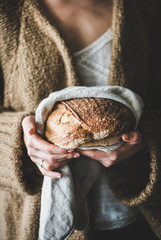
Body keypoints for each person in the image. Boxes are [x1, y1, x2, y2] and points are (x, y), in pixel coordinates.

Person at [0, 0, 161, 239]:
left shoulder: (147, 9)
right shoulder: (7, 14)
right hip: (35, 219)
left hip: (137, 216)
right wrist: (19, 144)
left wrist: (149, 139)